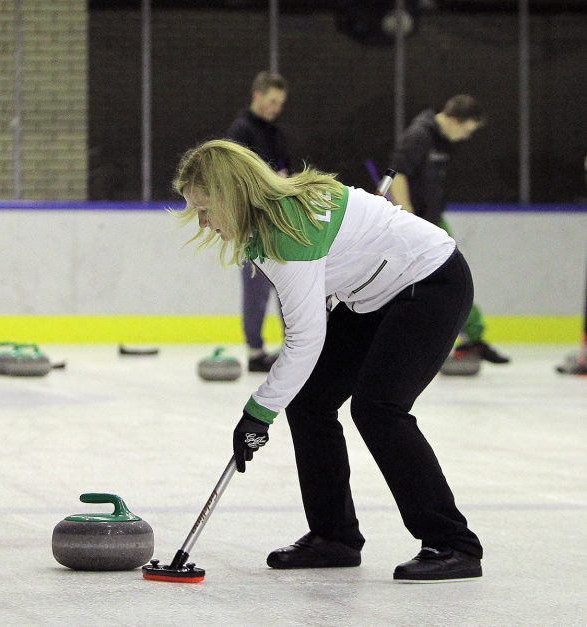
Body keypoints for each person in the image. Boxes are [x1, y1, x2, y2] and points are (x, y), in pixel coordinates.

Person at [173, 139, 483, 582]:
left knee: (378, 408)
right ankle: (334, 536)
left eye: (205, 209)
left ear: (231, 195)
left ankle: (454, 543)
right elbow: (314, 308)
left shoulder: (286, 231)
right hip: (376, 294)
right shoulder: (272, 224)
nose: (203, 222)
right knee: (309, 400)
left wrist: (257, 414)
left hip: (430, 281)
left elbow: (304, 340)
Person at [389, 94, 510, 365]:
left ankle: (471, 336)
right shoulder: (419, 135)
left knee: (452, 278)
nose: (467, 137)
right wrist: (409, 217)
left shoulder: (439, 140)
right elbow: (396, 174)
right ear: (455, 120)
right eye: (467, 130)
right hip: (417, 224)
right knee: (450, 280)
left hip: (430, 221)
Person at [224, 71, 295, 372]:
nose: (274, 107)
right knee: (256, 286)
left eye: (279, 103)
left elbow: (285, 168)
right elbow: (234, 175)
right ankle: (255, 351)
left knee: (286, 285)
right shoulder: (240, 132)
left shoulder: (274, 132)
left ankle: (293, 347)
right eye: (271, 101)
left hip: (276, 219)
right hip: (252, 221)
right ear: (256, 96)